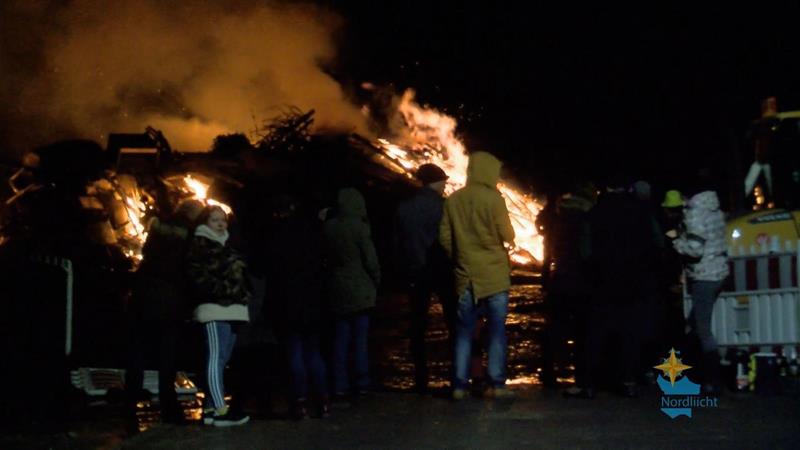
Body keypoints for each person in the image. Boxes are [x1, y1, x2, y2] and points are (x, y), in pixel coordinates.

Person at [568, 174, 660, 399]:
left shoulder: (594, 214)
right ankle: (628, 380)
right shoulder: (641, 212)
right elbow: (657, 244)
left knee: (596, 333)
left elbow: (585, 251)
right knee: (629, 332)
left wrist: (591, 273)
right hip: (633, 282)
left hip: (602, 283)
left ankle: (590, 383)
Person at [439, 151, 516, 400]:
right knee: (496, 331)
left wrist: (460, 256)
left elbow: (444, 238)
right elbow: (508, 235)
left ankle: (459, 385)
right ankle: (497, 383)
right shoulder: (494, 200)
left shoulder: (453, 200)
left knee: (463, 332)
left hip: (465, 276)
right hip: (494, 276)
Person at [125, 199, 203, 424]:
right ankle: (169, 405)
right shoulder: (191, 236)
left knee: (137, 354)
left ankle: (129, 405)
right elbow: (189, 270)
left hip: (142, 298)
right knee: (167, 355)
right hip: (171, 303)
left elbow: (146, 257)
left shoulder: (157, 228)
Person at [265, 194, 330, 419]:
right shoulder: (313, 233)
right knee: (313, 352)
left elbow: (272, 272)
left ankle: (300, 401)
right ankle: (322, 401)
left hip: (288, 302)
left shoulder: (277, 235)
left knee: (294, 352)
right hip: (312, 301)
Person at [186, 205, 251, 426]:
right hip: (214, 308)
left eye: (223, 220)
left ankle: (210, 408)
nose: (221, 224)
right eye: (215, 220)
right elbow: (198, 278)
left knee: (222, 359)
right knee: (215, 358)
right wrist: (225, 291)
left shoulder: (229, 245)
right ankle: (220, 410)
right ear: (205, 223)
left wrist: (241, 294)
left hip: (233, 310)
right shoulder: (200, 246)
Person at [394, 163, 456, 393]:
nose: (446, 186)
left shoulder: (404, 208)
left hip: (416, 269)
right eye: (444, 182)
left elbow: (398, 242)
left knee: (417, 323)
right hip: (441, 269)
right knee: (452, 320)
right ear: (436, 182)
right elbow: (451, 238)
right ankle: (456, 374)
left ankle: (420, 375)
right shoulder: (444, 207)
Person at [323, 188, 381, 398]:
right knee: (360, 339)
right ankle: (362, 382)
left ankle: (339, 383)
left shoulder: (328, 227)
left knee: (340, 338)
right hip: (360, 287)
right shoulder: (360, 228)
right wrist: (376, 280)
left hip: (337, 287)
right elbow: (370, 260)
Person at [672, 189, 729, 394]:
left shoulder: (695, 213)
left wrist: (677, 243)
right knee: (697, 324)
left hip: (704, 274)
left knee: (702, 329)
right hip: (719, 271)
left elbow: (695, 248)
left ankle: (713, 380)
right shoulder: (714, 208)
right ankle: (708, 375)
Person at [540, 182, 596, 388]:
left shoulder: (557, 222)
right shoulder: (586, 222)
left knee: (556, 326)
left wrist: (546, 276)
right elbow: (587, 252)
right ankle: (582, 377)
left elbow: (548, 252)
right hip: (579, 280)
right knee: (582, 329)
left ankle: (548, 370)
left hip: (560, 279)